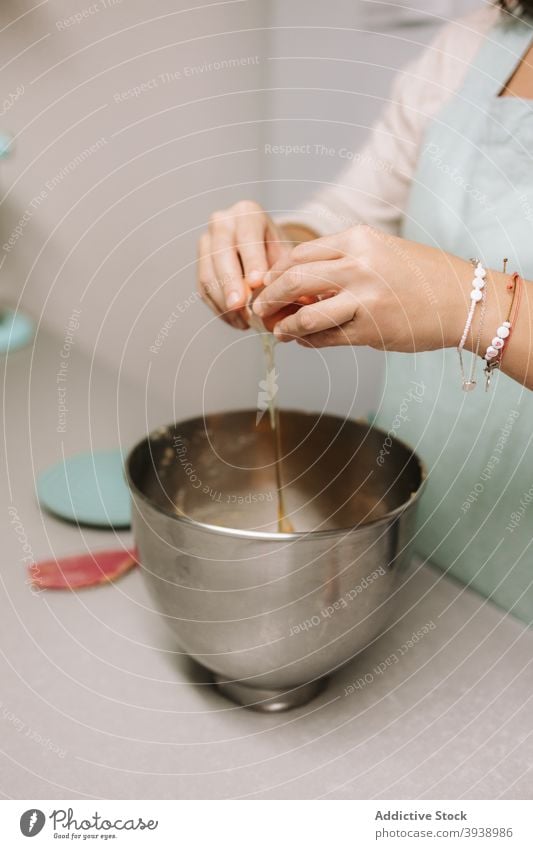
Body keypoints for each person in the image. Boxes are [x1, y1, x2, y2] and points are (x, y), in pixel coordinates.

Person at [197, 0, 533, 623]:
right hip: (417, 532)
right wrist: (272, 255)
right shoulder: (479, 41)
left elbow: (454, 292)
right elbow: (350, 216)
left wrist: (471, 303)